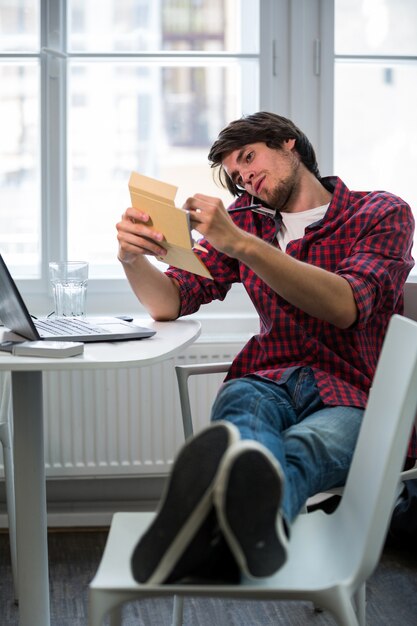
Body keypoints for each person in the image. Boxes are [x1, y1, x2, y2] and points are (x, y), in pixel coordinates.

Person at [116, 111, 415, 584]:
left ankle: (205, 528)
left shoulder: (379, 212)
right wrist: (132, 258)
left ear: (289, 144)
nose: (245, 177)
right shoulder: (244, 223)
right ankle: (243, 530)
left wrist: (242, 246)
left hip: (355, 394)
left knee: (305, 448)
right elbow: (171, 301)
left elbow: (346, 306)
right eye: (236, 174)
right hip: (266, 380)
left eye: (249, 157)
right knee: (246, 435)